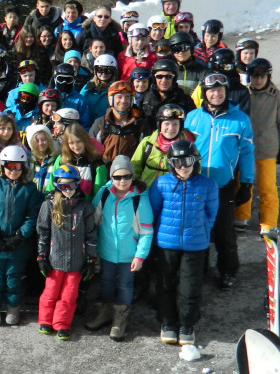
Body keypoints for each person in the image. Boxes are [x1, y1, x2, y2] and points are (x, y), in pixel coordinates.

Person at [183, 73, 255, 290]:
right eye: (211, 91)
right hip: (196, 183)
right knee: (198, 230)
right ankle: (200, 269)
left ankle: (228, 270)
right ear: (205, 94)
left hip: (223, 185)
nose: (216, 94)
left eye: (220, 90)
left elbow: (247, 153)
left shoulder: (239, 119)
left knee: (224, 232)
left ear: (226, 92)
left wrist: (248, 182)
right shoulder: (193, 117)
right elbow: (183, 148)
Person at [149, 140, 218, 345]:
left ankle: (187, 324)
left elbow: (211, 213)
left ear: (195, 161)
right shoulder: (161, 183)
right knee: (165, 283)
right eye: (178, 162)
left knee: (190, 286)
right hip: (166, 243)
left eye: (187, 161)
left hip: (195, 244)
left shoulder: (207, 184)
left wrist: (203, 231)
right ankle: (168, 322)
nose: (183, 167)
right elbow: (153, 211)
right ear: (171, 163)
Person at [85, 155, 153, 341]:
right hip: (106, 252)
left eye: (126, 176)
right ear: (111, 177)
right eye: (117, 177)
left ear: (133, 176)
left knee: (125, 285)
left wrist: (140, 257)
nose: (122, 181)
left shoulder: (139, 199)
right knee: (106, 281)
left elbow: (146, 232)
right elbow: (94, 220)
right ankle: (104, 312)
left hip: (128, 254)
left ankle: (120, 319)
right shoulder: (105, 193)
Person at [0, 145, 43, 323]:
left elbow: (33, 215)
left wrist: (20, 236)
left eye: (18, 167)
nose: (14, 171)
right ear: (2, 166)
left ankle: (13, 307)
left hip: (18, 244)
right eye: (10, 166)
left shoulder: (29, 189)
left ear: (23, 167)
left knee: (14, 278)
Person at [36, 164, 99, 341]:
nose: (68, 190)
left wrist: (91, 259)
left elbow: (91, 235)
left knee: (69, 294)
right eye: (63, 186)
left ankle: (62, 323)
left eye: (71, 185)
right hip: (54, 260)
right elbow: (43, 232)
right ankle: (45, 320)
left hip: (76, 262)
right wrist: (41, 256)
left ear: (78, 184)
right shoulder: (49, 206)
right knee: (50, 292)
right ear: (56, 185)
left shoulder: (84, 208)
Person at [236, 59, 280, 239]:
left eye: (261, 76)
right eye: (254, 76)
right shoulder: (245, 94)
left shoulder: (278, 97)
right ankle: (241, 217)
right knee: (244, 183)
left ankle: (268, 223)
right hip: (246, 150)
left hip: (268, 150)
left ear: (268, 76)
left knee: (267, 187)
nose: (258, 80)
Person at [132, 104, 195, 186]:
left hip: (172, 195)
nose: (171, 128)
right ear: (160, 125)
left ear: (180, 126)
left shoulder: (188, 147)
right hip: (147, 193)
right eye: (167, 124)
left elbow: (195, 174)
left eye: (175, 124)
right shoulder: (148, 144)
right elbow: (134, 169)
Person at [89, 81, 146, 162]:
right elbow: (91, 151)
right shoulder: (100, 124)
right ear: (111, 99)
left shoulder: (140, 125)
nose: (123, 101)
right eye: (119, 97)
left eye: (127, 97)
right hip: (105, 172)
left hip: (131, 172)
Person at [169, 32, 208, 97]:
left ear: (191, 49)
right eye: (176, 49)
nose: (180, 52)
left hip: (196, 106)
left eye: (184, 47)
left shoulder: (203, 72)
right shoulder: (169, 71)